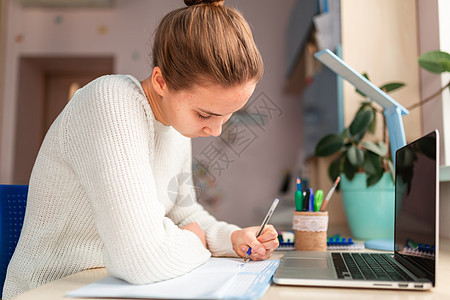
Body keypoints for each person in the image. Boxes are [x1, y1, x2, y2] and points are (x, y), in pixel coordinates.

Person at [2, 0, 279, 299]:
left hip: (114, 286)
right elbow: (139, 259)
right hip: (54, 290)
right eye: (205, 114)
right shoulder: (111, 102)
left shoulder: (176, 127)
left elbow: (185, 214)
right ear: (161, 82)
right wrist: (194, 243)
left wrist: (230, 237)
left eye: (228, 115)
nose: (215, 131)